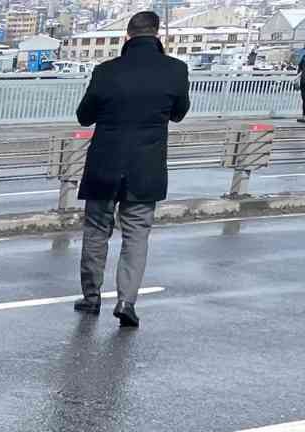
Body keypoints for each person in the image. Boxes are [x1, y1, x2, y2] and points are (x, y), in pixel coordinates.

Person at [72, 9, 189, 329]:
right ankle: (126, 301)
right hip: (146, 167)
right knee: (137, 235)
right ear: (158, 35)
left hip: (103, 165)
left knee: (97, 230)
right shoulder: (175, 70)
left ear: (127, 36)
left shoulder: (106, 71)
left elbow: (84, 116)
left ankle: (92, 297)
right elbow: (179, 113)